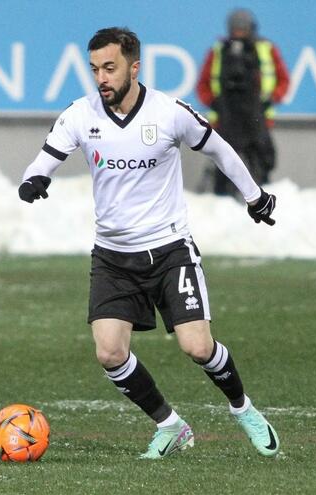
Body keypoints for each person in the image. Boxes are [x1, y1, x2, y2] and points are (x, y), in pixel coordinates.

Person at [18, 27, 279, 459]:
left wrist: (255, 196)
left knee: (198, 347)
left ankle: (243, 409)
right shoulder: (80, 115)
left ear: (134, 67)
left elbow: (219, 149)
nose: (101, 78)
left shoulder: (169, 113)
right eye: (94, 69)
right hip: (113, 257)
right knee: (109, 352)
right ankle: (170, 426)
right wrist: (34, 179)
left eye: (110, 68)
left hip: (170, 250)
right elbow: (44, 158)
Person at [197, 8, 290, 195]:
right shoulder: (218, 51)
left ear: (251, 28)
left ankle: (262, 197)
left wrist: (271, 99)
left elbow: (283, 80)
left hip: (257, 117)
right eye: (235, 29)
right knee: (223, 163)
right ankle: (222, 199)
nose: (239, 33)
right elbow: (202, 85)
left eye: (243, 29)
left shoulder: (266, 49)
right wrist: (214, 102)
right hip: (226, 118)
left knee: (262, 161)